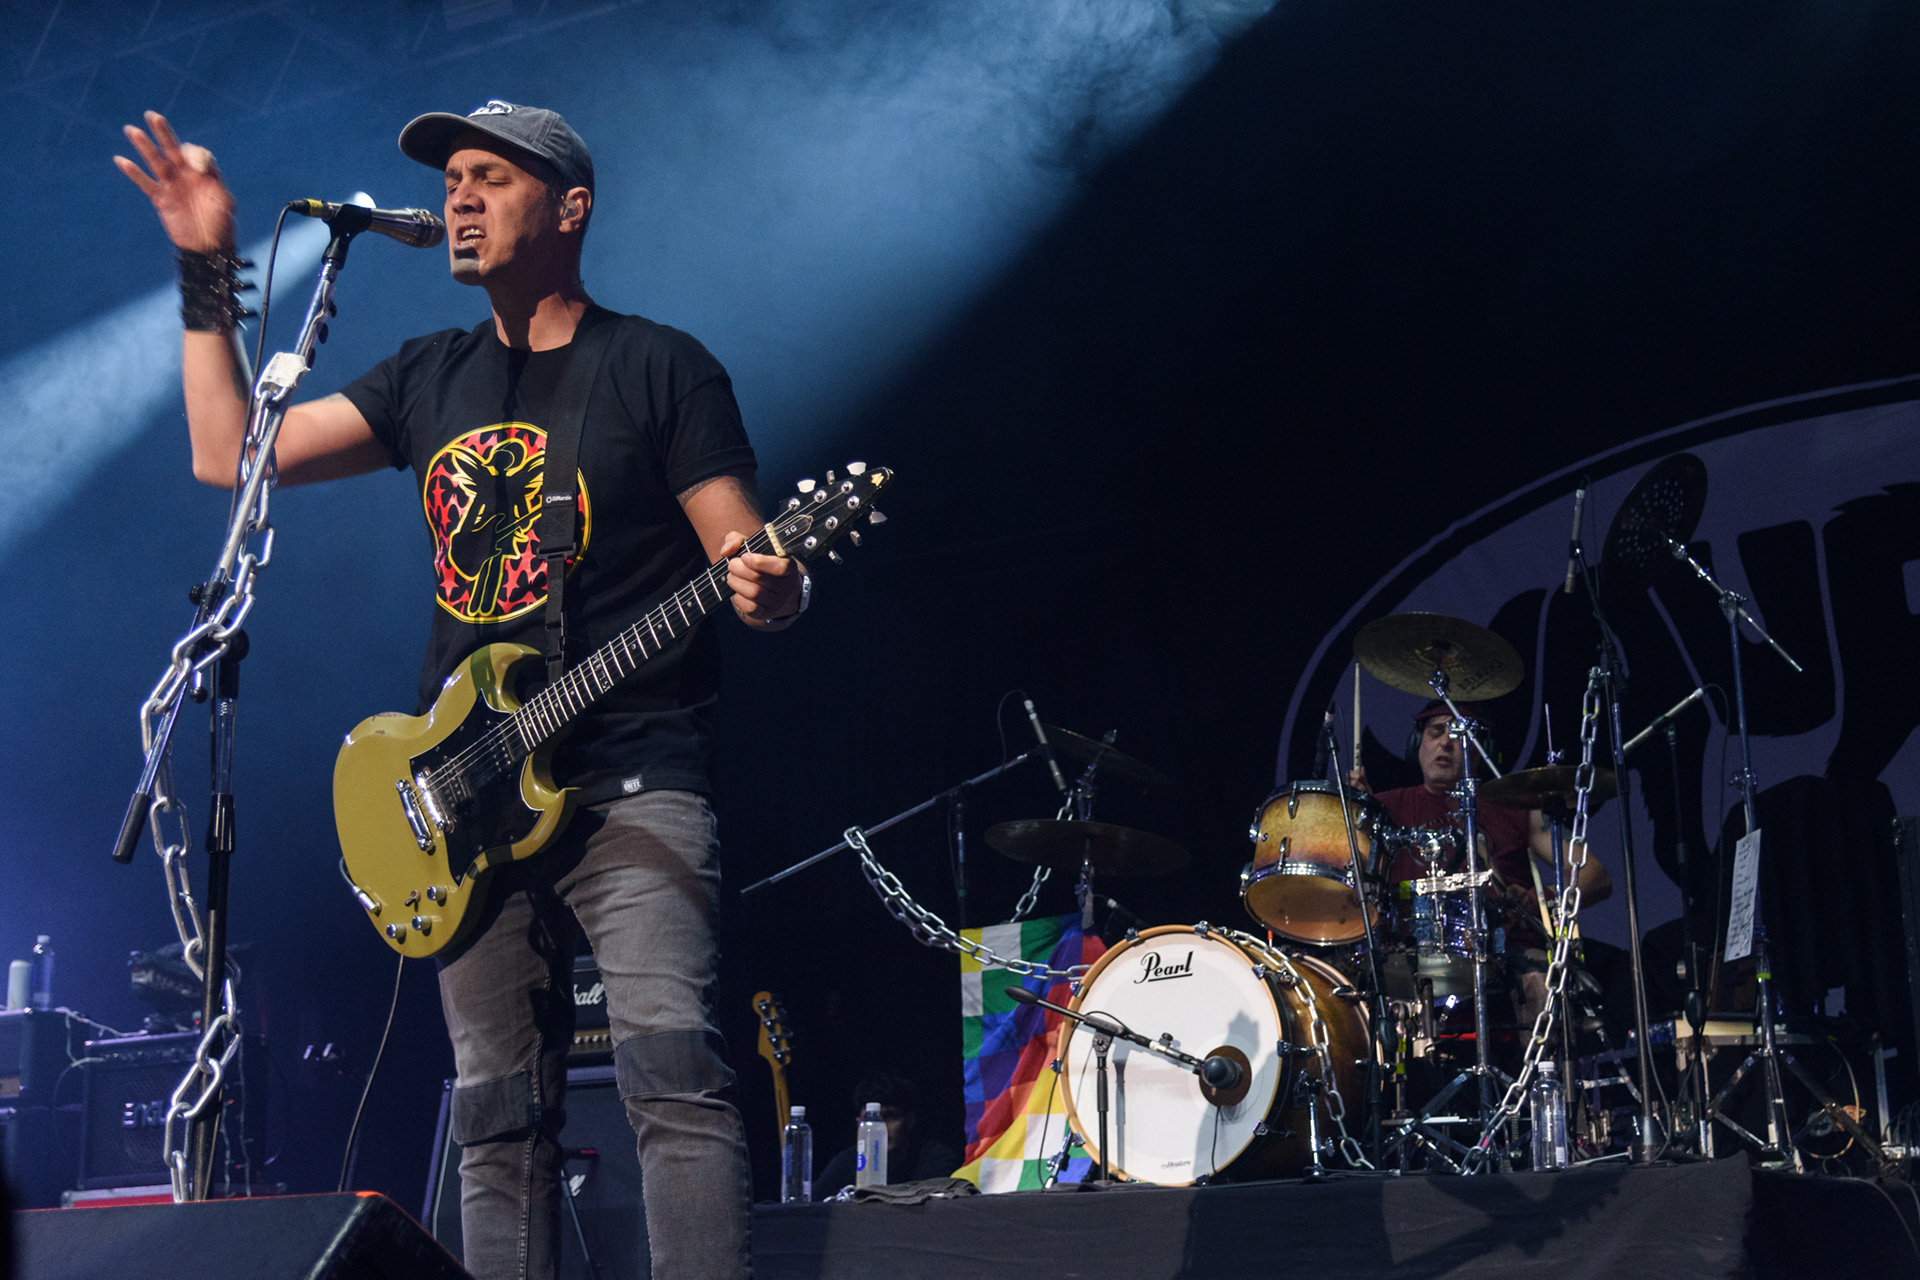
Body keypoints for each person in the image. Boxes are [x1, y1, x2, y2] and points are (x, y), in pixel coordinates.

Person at [115, 101, 803, 1280]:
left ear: (570, 208)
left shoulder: (659, 365)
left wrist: (770, 585)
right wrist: (205, 264)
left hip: (634, 774)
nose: (460, 198)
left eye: (490, 176)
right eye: (453, 179)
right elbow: (229, 453)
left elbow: (743, 548)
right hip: (462, 791)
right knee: (494, 1120)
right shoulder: (428, 376)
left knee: (672, 1077)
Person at [1349, 701, 1612, 1022]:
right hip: (1410, 953)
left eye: (1459, 734)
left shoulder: (1515, 806)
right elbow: (1349, 881)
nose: (1445, 741)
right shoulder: (1385, 808)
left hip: (1507, 952)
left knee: (1543, 988)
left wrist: (1543, 899)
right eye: (1435, 732)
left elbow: (1596, 876)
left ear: (1480, 749)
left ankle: (1541, 1073)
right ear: (1417, 745)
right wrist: (1356, 816)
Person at [813, 1073, 963, 1198]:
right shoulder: (848, 1162)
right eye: (871, 1119)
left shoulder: (937, 1160)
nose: (880, 1128)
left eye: (890, 1116)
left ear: (910, 1120)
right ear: (859, 1124)